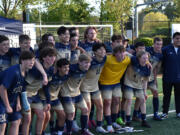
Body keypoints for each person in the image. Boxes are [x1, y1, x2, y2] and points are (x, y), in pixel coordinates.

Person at [22, 47, 57, 135]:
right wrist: (21, 99)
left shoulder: (51, 70)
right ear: (44, 58)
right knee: (26, 119)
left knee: (42, 116)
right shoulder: (35, 70)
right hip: (25, 94)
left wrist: (48, 102)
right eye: (50, 56)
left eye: (54, 56)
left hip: (35, 95)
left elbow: (46, 87)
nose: (53, 58)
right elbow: (23, 85)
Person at [0, 50, 35, 135]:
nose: (32, 62)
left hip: (12, 101)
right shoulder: (14, 72)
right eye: (29, 60)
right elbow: (2, 88)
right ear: (22, 60)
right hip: (2, 101)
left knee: (16, 122)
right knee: (2, 125)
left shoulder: (25, 72)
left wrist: (18, 103)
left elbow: (18, 89)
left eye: (33, 60)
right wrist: (7, 106)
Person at [99, 46, 131, 132]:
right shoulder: (108, 59)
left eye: (123, 52)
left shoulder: (127, 59)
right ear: (115, 54)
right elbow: (97, 58)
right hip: (105, 83)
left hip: (116, 83)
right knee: (107, 103)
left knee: (117, 101)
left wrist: (147, 61)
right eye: (119, 53)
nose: (121, 55)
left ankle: (113, 121)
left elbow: (139, 57)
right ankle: (108, 124)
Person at [61, 54, 94, 135]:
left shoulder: (85, 69)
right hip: (67, 94)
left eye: (89, 63)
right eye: (86, 62)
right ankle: (68, 132)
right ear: (79, 62)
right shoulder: (71, 69)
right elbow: (61, 76)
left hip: (77, 93)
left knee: (85, 110)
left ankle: (84, 130)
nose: (88, 65)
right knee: (71, 113)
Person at [80, 43, 107, 133]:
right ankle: (85, 128)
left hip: (95, 87)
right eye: (100, 49)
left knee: (100, 106)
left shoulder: (105, 58)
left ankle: (99, 126)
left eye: (104, 49)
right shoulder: (90, 61)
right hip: (85, 87)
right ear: (95, 52)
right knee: (87, 107)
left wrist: (147, 61)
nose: (103, 51)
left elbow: (125, 53)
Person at [40, 58, 70, 135]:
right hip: (44, 99)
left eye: (68, 67)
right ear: (59, 68)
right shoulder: (52, 75)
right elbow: (45, 88)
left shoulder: (66, 75)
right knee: (46, 117)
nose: (67, 69)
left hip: (55, 98)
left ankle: (59, 133)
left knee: (62, 115)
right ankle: (41, 132)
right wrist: (48, 101)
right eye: (65, 67)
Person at [123, 51, 151, 128]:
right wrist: (124, 53)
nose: (145, 60)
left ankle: (144, 120)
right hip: (128, 83)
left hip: (138, 85)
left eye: (147, 58)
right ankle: (128, 121)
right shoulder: (134, 60)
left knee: (143, 100)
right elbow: (126, 53)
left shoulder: (148, 68)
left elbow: (145, 81)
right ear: (138, 58)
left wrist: (145, 92)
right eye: (144, 58)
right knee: (129, 100)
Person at [161, 32, 180, 119]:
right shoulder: (165, 49)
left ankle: (178, 112)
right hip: (167, 78)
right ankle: (165, 112)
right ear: (173, 39)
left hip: (179, 78)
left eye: (179, 38)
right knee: (166, 96)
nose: (178, 40)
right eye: (177, 38)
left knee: (179, 96)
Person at [146, 37, 163, 121]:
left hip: (151, 78)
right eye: (157, 44)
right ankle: (136, 113)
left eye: (160, 44)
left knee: (155, 93)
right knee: (141, 96)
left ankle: (155, 114)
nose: (158, 46)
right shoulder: (147, 50)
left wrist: (155, 79)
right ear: (153, 44)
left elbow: (156, 68)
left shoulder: (160, 55)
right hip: (142, 78)